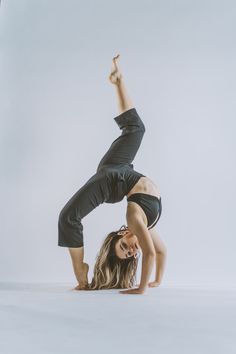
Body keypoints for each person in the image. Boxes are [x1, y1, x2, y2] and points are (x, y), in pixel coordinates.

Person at [58, 54, 167, 294]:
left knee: (68, 217)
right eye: (130, 254)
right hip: (120, 169)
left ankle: (80, 271)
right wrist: (157, 280)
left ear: (121, 234)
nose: (132, 250)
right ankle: (118, 81)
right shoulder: (146, 228)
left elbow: (149, 253)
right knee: (136, 128)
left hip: (112, 181)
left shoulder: (133, 220)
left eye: (124, 248)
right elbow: (159, 252)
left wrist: (141, 289)